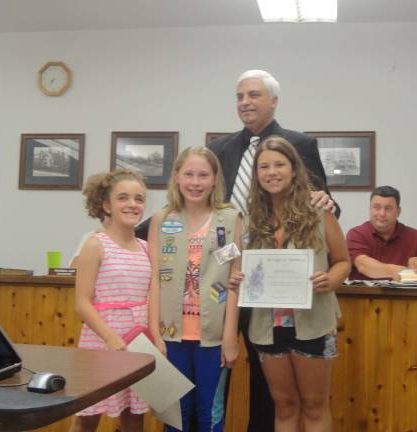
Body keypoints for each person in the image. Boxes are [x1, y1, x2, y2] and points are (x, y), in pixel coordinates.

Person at [207, 69, 339, 432]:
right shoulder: (217, 149)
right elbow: (204, 210)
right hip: (233, 280)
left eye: (253, 95)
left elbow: (325, 209)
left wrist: (326, 201)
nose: (245, 102)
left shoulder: (300, 144)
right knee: (222, 371)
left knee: (274, 394)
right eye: (239, 96)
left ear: (274, 101)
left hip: (289, 297)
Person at [229, 136, 350, 432]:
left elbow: (343, 261)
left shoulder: (319, 211)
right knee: (283, 406)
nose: (272, 172)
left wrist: (330, 280)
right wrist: (236, 277)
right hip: (268, 326)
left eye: (279, 164)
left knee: (314, 405)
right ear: (256, 175)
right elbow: (238, 265)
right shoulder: (248, 219)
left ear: (294, 169)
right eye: (264, 166)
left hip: (312, 322)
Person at [147, 147, 242, 432]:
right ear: (177, 177)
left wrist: (230, 337)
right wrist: (155, 334)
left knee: (209, 413)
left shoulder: (230, 219)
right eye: (188, 174)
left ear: (215, 180)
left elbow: (234, 279)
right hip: (170, 336)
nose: (195, 182)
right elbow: (152, 280)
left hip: (212, 338)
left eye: (203, 175)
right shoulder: (162, 220)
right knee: (176, 413)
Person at [71, 169, 150, 432]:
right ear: (106, 204)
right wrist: (109, 337)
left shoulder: (146, 247)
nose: (132, 204)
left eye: (139, 199)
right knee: (87, 416)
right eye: (123, 198)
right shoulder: (95, 245)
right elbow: (82, 302)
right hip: (102, 342)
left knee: (133, 416)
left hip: (137, 341)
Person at [346, 185, 417, 280]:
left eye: (388, 208)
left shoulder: (415, 236)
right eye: (377, 207)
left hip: (406, 294)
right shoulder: (356, 234)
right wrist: (400, 271)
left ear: (398, 212)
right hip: (364, 294)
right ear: (370, 209)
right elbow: (363, 265)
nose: (382, 213)